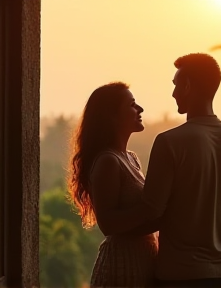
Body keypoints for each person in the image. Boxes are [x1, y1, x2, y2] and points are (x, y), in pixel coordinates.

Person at [139, 53, 221, 288]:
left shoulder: (169, 142)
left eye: (176, 85)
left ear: (188, 85)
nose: (173, 93)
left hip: (181, 273)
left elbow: (151, 210)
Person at [67, 82, 158, 287]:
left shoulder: (130, 158)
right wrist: (153, 210)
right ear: (112, 116)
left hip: (142, 262)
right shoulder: (108, 161)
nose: (140, 109)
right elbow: (108, 224)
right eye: (132, 104)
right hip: (122, 266)